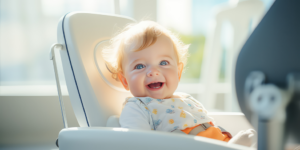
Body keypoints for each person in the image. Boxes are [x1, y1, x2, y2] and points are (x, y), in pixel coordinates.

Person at [102, 21, 256, 147]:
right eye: (140, 66)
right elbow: (139, 143)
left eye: (163, 62)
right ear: (125, 80)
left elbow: (212, 127)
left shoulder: (185, 99)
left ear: (178, 72)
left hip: (222, 142)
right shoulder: (137, 107)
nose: (153, 72)